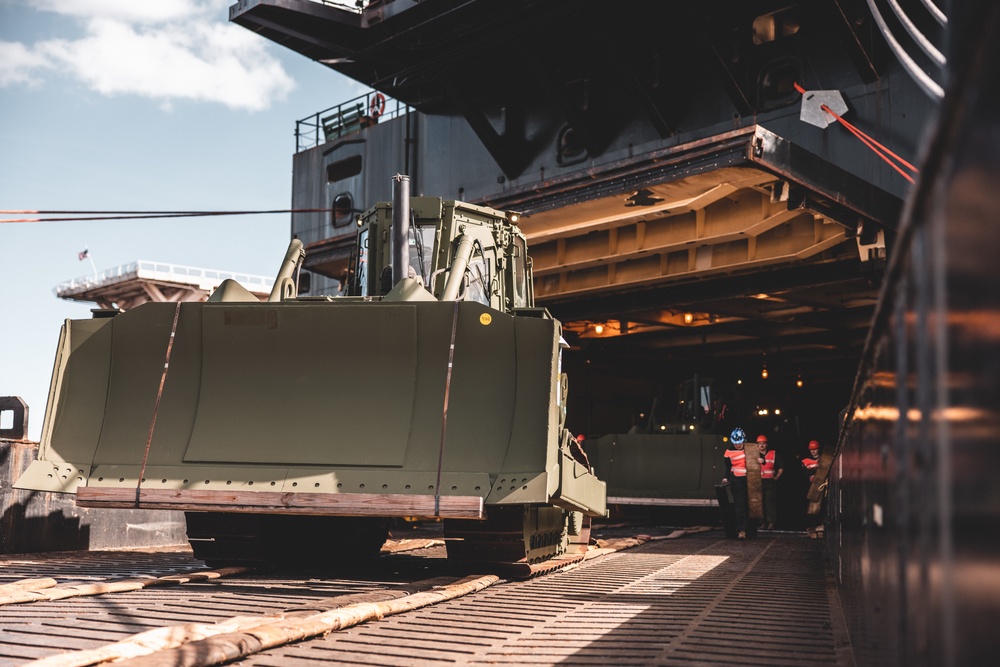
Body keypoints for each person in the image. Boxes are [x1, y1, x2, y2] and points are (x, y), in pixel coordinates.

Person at [722, 427, 750, 540]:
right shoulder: (728, 452)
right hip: (737, 480)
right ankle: (741, 530)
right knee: (740, 505)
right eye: (736, 443)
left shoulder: (750, 449)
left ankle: (751, 528)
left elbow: (760, 457)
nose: (738, 445)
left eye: (740, 443)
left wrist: (761, 460)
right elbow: (728, 467)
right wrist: (726, 477)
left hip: (750, 480)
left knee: (751, 504)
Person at [757, 434, 783, 530]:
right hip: (758, 481)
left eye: (763, 443)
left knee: (770, 502)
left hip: (770, 481)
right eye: (759, 444)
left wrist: (777, 477)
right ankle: (763, 522)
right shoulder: (754, 455)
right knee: (760, 503)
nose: (761, 445)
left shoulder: (773, 454)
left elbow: (780, 467)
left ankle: (771, 522)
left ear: (766, 444)